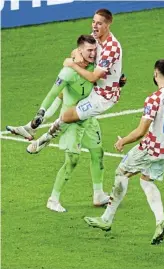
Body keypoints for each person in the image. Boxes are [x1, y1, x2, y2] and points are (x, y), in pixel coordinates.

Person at [84, 59, 164, 245]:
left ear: (156, 73)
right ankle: (160, 220)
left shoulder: (154, 99)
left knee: (121, 173)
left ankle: (107, 219)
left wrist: (122, 141)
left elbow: (141, 132)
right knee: (147, 181)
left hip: (150, 148)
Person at [7, 35, 109, 211]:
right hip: (71, 120)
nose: (93, 53)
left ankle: (98, 194)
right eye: (89, 50)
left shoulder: (95, 65)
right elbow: (53, 93)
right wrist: (41, 112)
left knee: (98, 154)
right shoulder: (67, 72)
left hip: (89, 118)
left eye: (94, 50)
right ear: (80, 50)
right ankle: (53, 199)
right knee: (72, 160)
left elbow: (108, 76)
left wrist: (120, 81)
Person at [26, 8, 123, 154]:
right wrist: (75, 56)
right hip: (92, 87)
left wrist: (72, 64)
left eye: (99, 24)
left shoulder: (111, 48)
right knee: (65, 91)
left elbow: (93, 77)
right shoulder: (95, 37)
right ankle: (33, 126)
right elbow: (78, 50)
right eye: (93, 22)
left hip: (103, 96)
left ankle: (44, 139)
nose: (94, 26)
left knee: (67, 116)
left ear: (108, 25)